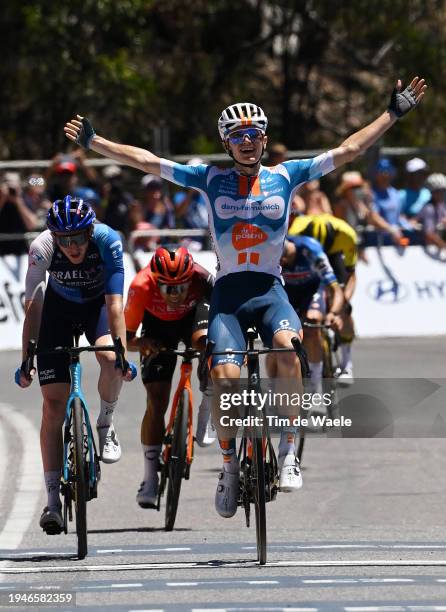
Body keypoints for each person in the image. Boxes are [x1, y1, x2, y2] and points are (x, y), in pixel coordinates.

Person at [64, 74, 427, 518]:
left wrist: (392, 113)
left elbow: (349, 150)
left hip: (270, 289)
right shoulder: (208, 178)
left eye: (254, 134)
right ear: (226, 142)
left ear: (265, 139)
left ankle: (290, 452)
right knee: (227, 379)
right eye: (238, 136)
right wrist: (95, 141)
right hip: (229, 295)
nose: (248, 142)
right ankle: (232, 467)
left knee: (289, 352)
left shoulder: (287, 175)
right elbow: (147, 161)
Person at [15, 196, 136, 535]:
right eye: (63, 240)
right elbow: (34, 308)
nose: (71, 247)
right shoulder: (42, 247)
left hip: (96, 306)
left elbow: (115, 306)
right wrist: (27, 359)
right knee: (53, 405)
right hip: (57, 310)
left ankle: (105, 422)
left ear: (90, 230)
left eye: (78, 238)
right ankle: (53, 500)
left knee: (110, 360)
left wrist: (122, 353)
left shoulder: (108, 239)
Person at [124, 246, 215, 508]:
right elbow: (126, 339)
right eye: (167, 289)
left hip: (193, 318)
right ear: (155, 282)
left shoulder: (202, 278)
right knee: (156, 401)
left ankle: (205, 405)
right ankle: (150, 476)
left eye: (180, 288)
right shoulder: (141, 285)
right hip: (157, 327)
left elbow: (226, 311)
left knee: (207, 342)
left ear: (190, 279)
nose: (174, 295)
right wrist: (143, 344)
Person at [289, 213, 358, 385]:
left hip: (335, 257)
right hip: (310, 259)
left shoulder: (347, 234)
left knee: (345, 309)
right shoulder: (297, 230)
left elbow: (351, 275)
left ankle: (346, 363)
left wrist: (343, 303)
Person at [273, 236, 344, 402]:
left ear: (284, 256)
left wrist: (333, 313)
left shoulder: (311, 251)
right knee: (277, 336)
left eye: (282, 262)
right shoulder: (271, 253)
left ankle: (315, 389)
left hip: (312, 292)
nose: (282, 265)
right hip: (287, 293)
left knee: (312, 323)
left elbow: (334, 288)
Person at [334, 170, 403, 253]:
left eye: (359, 187)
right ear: (346, 191)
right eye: (353, 187)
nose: (357, 190)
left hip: (360, 247)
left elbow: (373, 218)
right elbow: (341, 230)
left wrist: (368, 202)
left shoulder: (362, 205)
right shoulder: (341, 206)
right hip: (346, 249)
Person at [419, 173, 446, 261]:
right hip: (426, 248)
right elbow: (429, 234)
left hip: (436, 243)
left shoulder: (440, 205)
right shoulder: (429, 208)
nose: (443, 193)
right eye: (440, 191)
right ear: (434, 192)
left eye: (443, 191)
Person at [0, 172, 39, 255]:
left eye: (14, 182)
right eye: (7, 182)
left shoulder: (25, 199)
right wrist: (2, 198)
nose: (11, 186)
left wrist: (18, 201)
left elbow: (32, 225)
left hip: (20, 250)